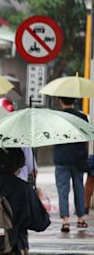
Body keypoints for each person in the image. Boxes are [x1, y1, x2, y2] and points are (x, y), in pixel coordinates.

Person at [54, 97, 89, 232]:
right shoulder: (82, 117)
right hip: (78, 157)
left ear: (60, 101)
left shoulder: (57, 117)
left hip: (61, 157)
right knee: (79, 187)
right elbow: (86, 135)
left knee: (63, 190)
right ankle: (80, 219)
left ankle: (65, 221)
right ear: (74, 101)